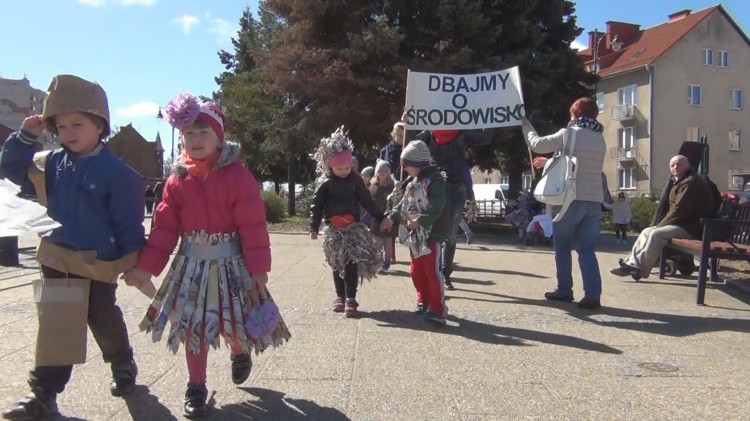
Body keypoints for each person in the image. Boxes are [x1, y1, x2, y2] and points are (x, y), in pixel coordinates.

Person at [122, 93, 290, 418]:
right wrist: (146, 269)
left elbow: (253, 226)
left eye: (203, 133)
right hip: (191, 267)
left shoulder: (239, 177)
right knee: (193, 326)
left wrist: (259, 269)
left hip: (231, 264)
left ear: (219, 137)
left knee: (231, 320)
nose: (195, 140)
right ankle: (195, 385)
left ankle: (238, 351)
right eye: (189, 134)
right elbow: (164, 230)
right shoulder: (176, 181)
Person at [0, 75, 145, 420]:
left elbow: (128, 223)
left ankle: (122, 362)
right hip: (56, 257)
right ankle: (43, 394)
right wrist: (25, 137)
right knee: (57, 325)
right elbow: (10, 171)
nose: (68, 133)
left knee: (102, 318)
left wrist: (135, 263)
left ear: (99, 126)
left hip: (97, 263)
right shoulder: (49, 164)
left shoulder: (119, 174)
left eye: (77, 124)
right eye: (61, 126)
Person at [521, 96, 606, 310]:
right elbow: (579, 164)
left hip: (570, 199)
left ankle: (565, 290)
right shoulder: (600, 138)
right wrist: (550, 161)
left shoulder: (568, 134)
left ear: (575, 115)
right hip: (594, 199)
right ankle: (593, 294)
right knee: (587, 248)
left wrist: (526, 124)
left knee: (562, 246)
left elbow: (537, 144)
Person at [310, 127, 385, 318]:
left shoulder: (356, 181)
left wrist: (379, 215)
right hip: (334, 230)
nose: (344, 171)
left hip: (353, 229)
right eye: (339, 168)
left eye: (347, 168)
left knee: (351, 262)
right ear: (330, 167)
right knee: (336, 262)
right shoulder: (325, 184)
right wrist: (314, 225)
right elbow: (317, 205)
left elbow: (366, 200)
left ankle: (351, 298)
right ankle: (339, 296)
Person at [380, 140, 450, 325]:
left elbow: (438, 206)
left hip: (431, 233)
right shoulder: (413, 181)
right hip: (415, 235)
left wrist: (421, 220)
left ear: (417, 163)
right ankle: (423, 299)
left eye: (406, 164)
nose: (403, 168)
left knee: (432, 271)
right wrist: (391, 217)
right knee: (416, 270)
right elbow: (403, 204)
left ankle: (438, 308)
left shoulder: (435, 181)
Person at [610, 155, 714, 280]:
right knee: (646, 231)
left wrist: (660, 226)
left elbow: (679, 210)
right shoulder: (680, 182)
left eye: (679, 164)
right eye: (672, 165)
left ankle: (639, 269)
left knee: (656, 234)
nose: (675, 167)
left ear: (687, 166)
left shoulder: (691, 182)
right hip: (682, 224)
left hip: (694, 227)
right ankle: (631, 263)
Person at [413, 129, 490, 289]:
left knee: (452, 234)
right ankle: (435, 272)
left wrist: (489, 118)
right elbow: (412, 144)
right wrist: (409, 121)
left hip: (457, 187)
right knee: (436, 232)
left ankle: (445, 274)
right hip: (436, 187)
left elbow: (484, 138)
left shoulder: (462, 132)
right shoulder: (429, 134)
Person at [369, 160, 397, 273]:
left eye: (386, 170)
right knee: (377, 244)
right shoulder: (372, 187)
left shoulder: (392, 187)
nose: (383, 173)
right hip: (376, 220)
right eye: (381, 170)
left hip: (388, 220)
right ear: (377, 172)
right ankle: (379, 264)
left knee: (388, 246)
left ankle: (386, 263)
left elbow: (395, 202)